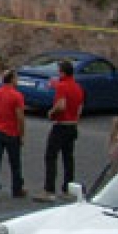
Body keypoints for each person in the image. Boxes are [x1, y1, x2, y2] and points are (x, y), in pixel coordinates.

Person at [34, 60, 85, 203]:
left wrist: (51, 112)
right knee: (68, 158)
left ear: (62, 72)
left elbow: (61, 105)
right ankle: (68, 188)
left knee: (51, 156)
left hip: (61, 125)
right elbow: (80, 107)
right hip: (72, 124)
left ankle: (49, 189)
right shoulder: (77, 87)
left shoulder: (62, 86)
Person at [0, 69, 27, 201]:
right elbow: (20, 117)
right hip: (11, 133)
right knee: (15, 163)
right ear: (12, 79)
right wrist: (22, 134)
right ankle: (17, 188)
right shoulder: (17, 96)